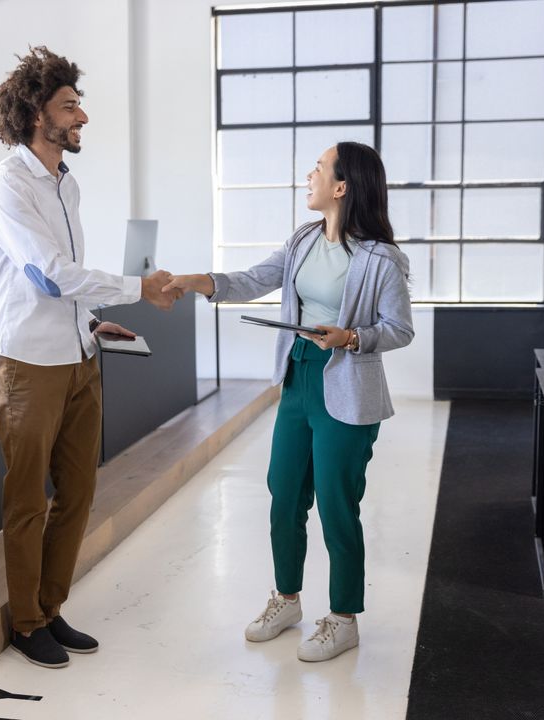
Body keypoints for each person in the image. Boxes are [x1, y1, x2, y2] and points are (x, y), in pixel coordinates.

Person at [163, 142, 413, 662]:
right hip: (298, 377)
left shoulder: (381, 259)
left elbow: (399, 329)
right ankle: (287, 598)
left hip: (346, 385)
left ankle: (343, 618)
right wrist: (197, 282)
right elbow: (254, 279)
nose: (309, 175)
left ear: (341, 187)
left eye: (319, 168)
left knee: (337, 505)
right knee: (283, 493)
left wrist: (348, 337)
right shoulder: (302, 239)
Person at [0, 46, 179, 669]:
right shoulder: (7, 184)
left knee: (80, 491)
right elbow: (47, 274)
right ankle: (26, 621)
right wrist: (137, 288)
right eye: (69, 107)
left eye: (79, 105)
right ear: (36, 114)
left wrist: (94, 320)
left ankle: (51, 607)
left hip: (78, 353)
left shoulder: (68, 183)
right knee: (27, 500)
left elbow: (62, 289)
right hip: (29, 366)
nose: (82, 117)